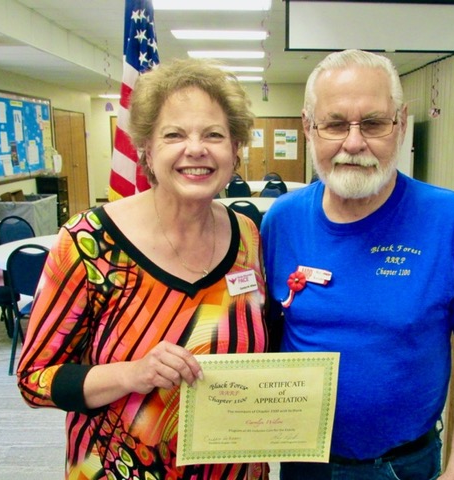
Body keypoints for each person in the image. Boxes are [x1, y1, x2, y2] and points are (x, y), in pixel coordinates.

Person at [260, 49, 454, 480]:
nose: (354, 142)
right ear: (308, 127)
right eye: (335, 123)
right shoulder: (281, 221)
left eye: (375, 123)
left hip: (406, 465)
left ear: (400, 124)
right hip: (304, 462)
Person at [17, 58, 269, 480]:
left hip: (234, 469)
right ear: (147, 150)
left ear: (236, 149)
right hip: (118, 470)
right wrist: (132, 374)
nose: (196, 149)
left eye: (214, 135)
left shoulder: (247, 237)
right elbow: (33, 380)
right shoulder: (87, 243)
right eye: (174, 135)